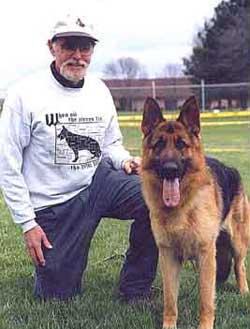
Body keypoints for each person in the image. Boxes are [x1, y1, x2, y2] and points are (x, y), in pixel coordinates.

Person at [0, 15, 158, 300]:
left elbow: (110, 144)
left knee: (154, 197)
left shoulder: (98, 90)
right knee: (56, 295)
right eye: (68, 46)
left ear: (92, 51)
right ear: (52, 47)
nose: (77, 55)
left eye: (85, 47)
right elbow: (7, 166)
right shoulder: (24, 95)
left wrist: (124, 161)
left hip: (98, 182)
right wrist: (28, 224)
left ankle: (135, 288)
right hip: (55, 203)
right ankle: (54, 270)